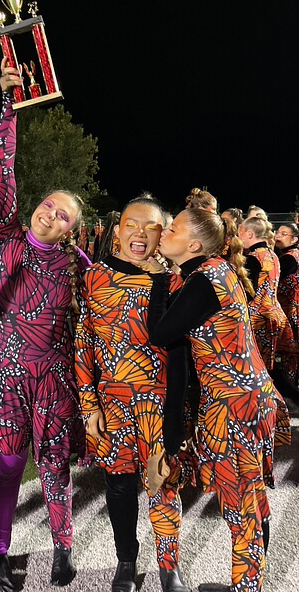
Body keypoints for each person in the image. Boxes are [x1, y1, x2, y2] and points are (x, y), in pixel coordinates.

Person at [0, 58, 91, 591]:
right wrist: (9, 105)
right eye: (49, 205)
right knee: (6, 464)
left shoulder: (78, 265)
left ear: (72, 231)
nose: (51, 214)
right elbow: (2, 170)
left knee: (54, 465)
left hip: (54, 374)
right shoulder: (3, 237)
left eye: (64, 215)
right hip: (4, 367)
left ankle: (62, 546)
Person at [146, 208, 290, 592]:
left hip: (234, 406)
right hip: (250, 398)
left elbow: (161, 333)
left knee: (240, 502)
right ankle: (249, 584)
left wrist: (160, 279)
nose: (164, 231)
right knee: (250, 495)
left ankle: (247, 589)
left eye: (172, 228)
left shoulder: (204, 279)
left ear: (193, 244)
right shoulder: (217, 270)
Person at [75, 195, 194, 592]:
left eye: (151, 226)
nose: (140, 233)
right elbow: (84, 343)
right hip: (113, 406)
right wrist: (89, 402)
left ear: (163, 233)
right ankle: (126, 559)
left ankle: (167, 566)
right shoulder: (94, 277)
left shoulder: (179, 281)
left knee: (165, 484)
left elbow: (188, 353)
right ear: (118, 230)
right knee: (120, 487)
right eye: (131, 224)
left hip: (160, 406)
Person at [238, 217, 288, 370]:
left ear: (250, 234)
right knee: (270, 366)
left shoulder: (252, 259)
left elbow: (249, 291)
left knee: (256, 366)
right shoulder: (273, 255)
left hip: (257, 319)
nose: (239, 237)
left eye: (241, 233)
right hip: (274, 313)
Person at [275, 222, 299, 387]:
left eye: (284, 234)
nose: (277, 236)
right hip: (291, 309)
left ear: (295, 239)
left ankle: (290, 391)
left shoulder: (289, 258)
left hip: (291, 311)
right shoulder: (292, 254)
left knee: (290, 353)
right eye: (277, 232)